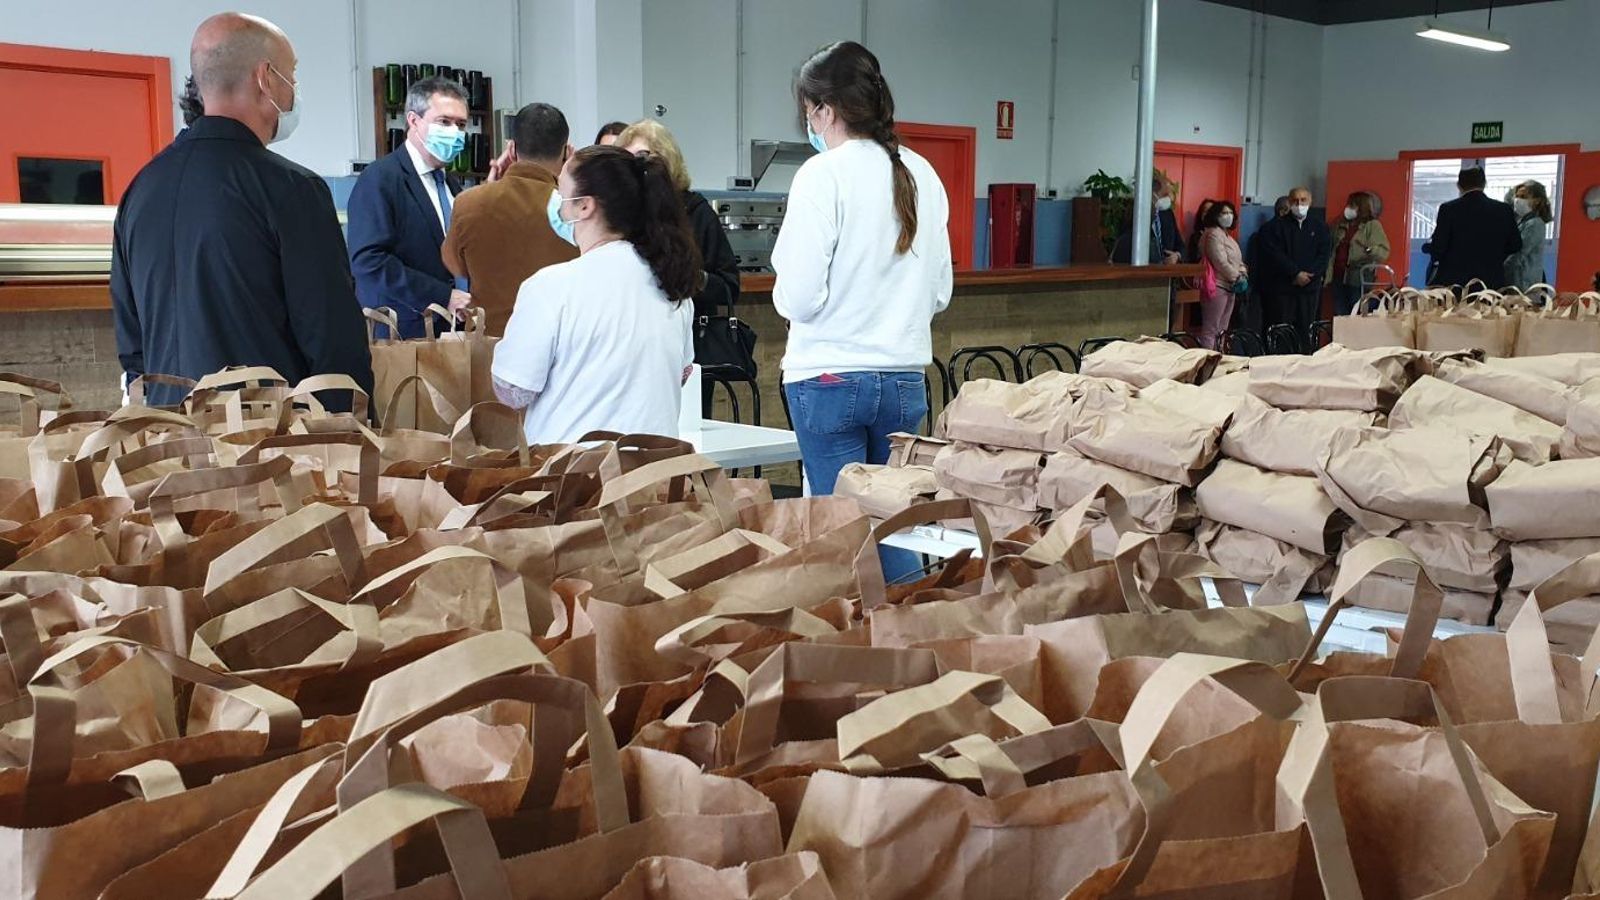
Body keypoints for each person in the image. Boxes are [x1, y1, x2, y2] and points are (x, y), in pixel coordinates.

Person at [111, 12, 371, 409]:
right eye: (293, 75)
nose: (295, 90)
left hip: (170, 439)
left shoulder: (140, 189)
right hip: (267, 446)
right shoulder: (292, 190)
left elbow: (132, 344)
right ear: (266, 78)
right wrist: (352, 428)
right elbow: (331, 342)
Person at [773, 41, 952, 582]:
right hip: (903, 377)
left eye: (809, 113)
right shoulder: (923, 173)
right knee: (894, 525)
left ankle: (878, 650)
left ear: (824, 110)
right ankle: (918, 641)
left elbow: (798, 296)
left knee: (846, 537)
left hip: (828, 377)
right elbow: (940, 291)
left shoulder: (822, 174)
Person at [491, 147, 698, 442]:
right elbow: (681, 374)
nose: (556, 203)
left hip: (574, 477)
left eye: (560, 190)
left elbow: (513, 390)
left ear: (584, 206)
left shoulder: (551, 287)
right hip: (655, 474)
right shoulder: (673, 287)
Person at [347, 76, 473, 340]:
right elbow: (368, 261)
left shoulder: (449, 184)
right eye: (444, 122)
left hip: (453, 331)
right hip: (403, 334)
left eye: (460, 125)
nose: (454, 132)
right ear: (414, 121)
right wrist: (441, 296)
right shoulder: (381, 178)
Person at [441, 103, 578, 335]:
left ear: (512, 149)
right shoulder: (577, 210)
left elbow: (455, 265)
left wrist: (488, 188)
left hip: (491, 344)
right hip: (561, 344)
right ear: (566, 152)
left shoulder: (468, 203)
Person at [617, 119, 740, 321]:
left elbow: (728, 287)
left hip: (689, 334)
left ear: (666, 159)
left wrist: (685, 275)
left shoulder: (696, 212)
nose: (633, 168)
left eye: (641, 157)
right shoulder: (620, 215)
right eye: (626, 160)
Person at [1424, 166, 1521, 290]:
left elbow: (1439, 247)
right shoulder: (1503, 209)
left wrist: (1429, 248)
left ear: (1459, 185)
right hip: (1491, 282)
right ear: (1484, 183)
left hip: (1455, 283)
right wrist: (1495, 255)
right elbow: (1515, 245)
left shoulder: (1449, 209)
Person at [1257, 186, 1332, 344]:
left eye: (1303, 200)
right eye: (1295, 201)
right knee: (1282, 331)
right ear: (1290, 202)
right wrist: (1295, 273)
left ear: (1310, 201)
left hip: (1310, 289)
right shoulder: (1274, 228)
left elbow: (1324, 255)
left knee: (1306, 331)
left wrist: (1311, 274)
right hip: (1283, 289)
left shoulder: (1320, 227)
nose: (1299, 204)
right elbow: (1274, 255)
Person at [1327, 191, 1391, 316]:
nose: (1348, 208)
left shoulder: (1372, 225)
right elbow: (1332, 246)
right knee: (1340, 314)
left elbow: (1384, 251)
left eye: (1352, 205)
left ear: (1362, 207)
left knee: (1357, 313)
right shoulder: (1340, 224)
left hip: (1358, 278)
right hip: (1338, 276)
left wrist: (1370, 250)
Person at [1198, 201, 1246, 350]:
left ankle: (1219, 358)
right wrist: (1236, 276)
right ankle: (1207, 361)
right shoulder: (1213, 234)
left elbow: (1238, 260)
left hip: (1230, 287)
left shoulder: (1229, 237)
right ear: (1215, 215)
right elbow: (1219, 260)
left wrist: (1243, 272)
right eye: (1224, 213)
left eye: (1230, 213)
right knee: (1211, 328)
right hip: (1217, 285)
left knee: (1222, 329)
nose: (1228, 216)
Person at [1111, 175, 1183, 264]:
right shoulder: (1135, 214)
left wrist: (1176, 256)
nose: (1169, 199)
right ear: (1153, 193)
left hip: (1166, 273)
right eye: (1165, 195)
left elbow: (1180, 245)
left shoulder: (1168, 214)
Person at [1505, 180, 1553, 292]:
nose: (1517, 200)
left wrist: (1499, 270)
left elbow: (1519, 254)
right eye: (1516, 196)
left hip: (1525, 286)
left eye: (1523, 196)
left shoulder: (1535, 224)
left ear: (1537, 201)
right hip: (1516, 283)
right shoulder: (1521, 221)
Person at [1186, 198, 1216, 263]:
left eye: (1211, 211)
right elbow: (1192, 261)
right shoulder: (1195, 238)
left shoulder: (1224, 235)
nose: (1208, 214)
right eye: (1205, 211)